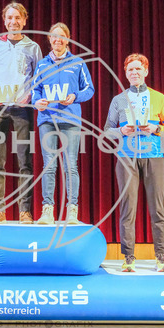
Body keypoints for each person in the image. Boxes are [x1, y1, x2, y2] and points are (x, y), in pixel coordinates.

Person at [104, 54, 164, 273]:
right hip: (127, 158)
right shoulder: (119, 100)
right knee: (128, 208)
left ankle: (161, 257)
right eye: (130, 70)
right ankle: (128, 257)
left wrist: (157, 128)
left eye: (138, 69)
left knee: (158, 208)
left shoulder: (158, 97)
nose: (134, 73)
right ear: (126, 74)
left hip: (154, 156)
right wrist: (120, 130)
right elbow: (107, 130)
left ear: (146, 71)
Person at [0, 2, 42, 224]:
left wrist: (30, 95)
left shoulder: (33, 47)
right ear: (4, 21)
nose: (13, 22)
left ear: (24, 20)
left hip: (22, 109)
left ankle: (25, 211)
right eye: (10, 18)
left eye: (17, 18)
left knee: (25, 160)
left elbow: (39, 78)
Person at [32, 22, 94, 225]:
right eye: (54, 36)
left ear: (68, 39)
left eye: (62, 36)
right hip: (47, 119)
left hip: (70, 119)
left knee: (70, 165)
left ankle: (72, 210)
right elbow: (35, 90)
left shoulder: (78, 63)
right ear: (49, 39)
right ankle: (47, 211)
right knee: (49, 165)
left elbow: (89, 89)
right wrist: (37, 102)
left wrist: (75, 96)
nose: (58, 40)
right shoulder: (42, 65)